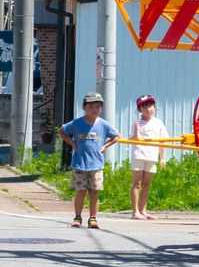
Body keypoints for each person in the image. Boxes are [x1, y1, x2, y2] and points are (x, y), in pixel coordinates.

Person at [59, 93, 120, 229]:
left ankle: (93, 217)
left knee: (94, 192)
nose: (94, 109)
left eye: (98, 107)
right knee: (80, 191)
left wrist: (105, 146)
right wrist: (72, 143)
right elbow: (62, 131)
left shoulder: (103, 125)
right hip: (80, 164)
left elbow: (116, 136)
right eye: (91, 106)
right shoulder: (76, 123)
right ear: (84, 107)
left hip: (96, 165)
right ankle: (77, 216)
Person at [129, 94, 167, 221]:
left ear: (154, 107)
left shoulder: (159, 123)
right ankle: (135, 211)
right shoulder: (137, 123)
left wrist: (162, 158)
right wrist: (135, 136)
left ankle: (143, 210)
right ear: (140, 109)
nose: (148, 109)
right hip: (139, 155)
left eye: (150, 106)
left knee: (147, 184)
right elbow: (132, 138)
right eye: (144, 107)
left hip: (152, 156)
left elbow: (163, 141)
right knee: (137, 183)